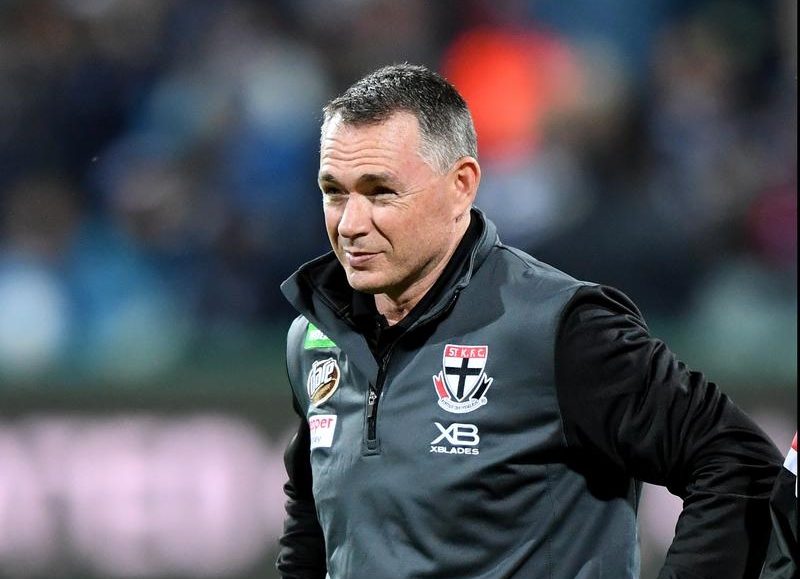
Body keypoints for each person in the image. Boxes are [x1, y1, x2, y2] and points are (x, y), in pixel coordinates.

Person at [276, 63, 782, 579]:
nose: (350, 223)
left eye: (381, 192)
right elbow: (314, 530)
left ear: (461, 186)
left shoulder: (558, 328)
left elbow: (735, 460)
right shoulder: (316, 338)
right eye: (334, 191)